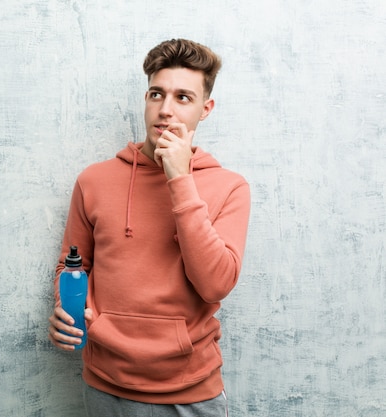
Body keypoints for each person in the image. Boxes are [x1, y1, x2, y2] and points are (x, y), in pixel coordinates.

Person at [48, 38, 250, 417]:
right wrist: (66, 309)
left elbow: (216, 284)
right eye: (157, 94)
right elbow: (72, 266)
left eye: (183, 98)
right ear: (146, 98)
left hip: (190, 392)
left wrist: (180, 180)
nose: (165, 111)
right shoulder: (94, 180)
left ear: (205, 109)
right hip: (104, 385)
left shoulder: (229, 187)